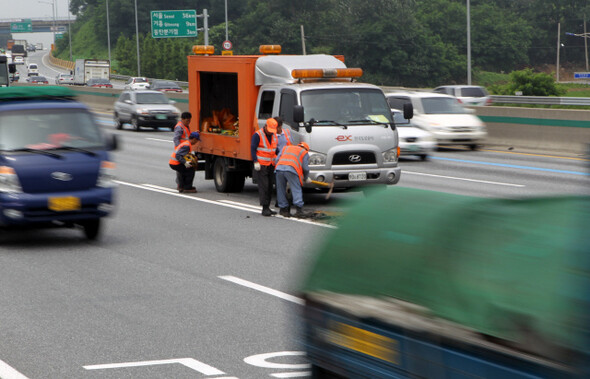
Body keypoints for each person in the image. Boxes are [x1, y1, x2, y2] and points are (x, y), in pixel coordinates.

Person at [251, 118, 279, 216]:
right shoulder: (258, 135)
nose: (271, 133)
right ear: (266, 126)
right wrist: (255, 161)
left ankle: (268, 207)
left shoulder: (274, 135)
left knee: (270, 186)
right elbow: (253, 148)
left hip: (271, 164)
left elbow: (275, 149)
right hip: (261, 165)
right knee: (264, 186)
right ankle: (264, 208)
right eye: (270, 130)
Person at [275, 142, 311, 218]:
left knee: (280, 189)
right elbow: (305, 168)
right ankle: (299, 210)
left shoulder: (286, 148)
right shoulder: (304, 152)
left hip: (279, 168)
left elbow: (277, 159)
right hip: (291, 169)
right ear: (306, 149)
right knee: (296, 188)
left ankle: (283, 209)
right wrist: (306, 177)